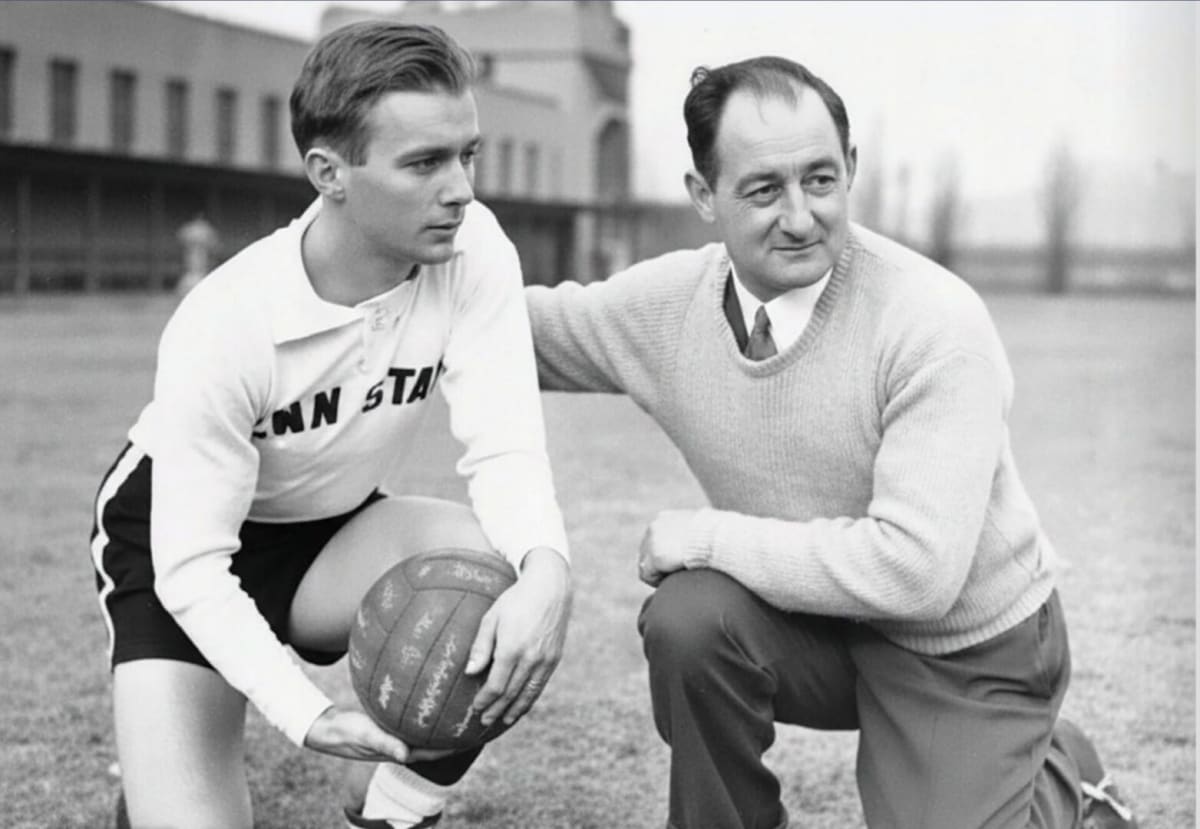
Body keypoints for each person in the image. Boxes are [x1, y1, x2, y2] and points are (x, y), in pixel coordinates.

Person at [526, 56, 1137, 829]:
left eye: (820, 179)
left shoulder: (933, 321)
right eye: (762, 189)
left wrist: (709, 536)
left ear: (851, 167)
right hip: (820, 623)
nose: (801, 215)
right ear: (702, 195)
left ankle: (1065, 780)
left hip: (963, 649)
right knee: (689, 621)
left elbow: (916, 572)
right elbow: (514, 334)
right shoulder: (669, 306)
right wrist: (376, 266)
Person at [90, 21, 571, 829]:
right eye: (424, 163)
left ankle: (391, 808)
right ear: (329, 172)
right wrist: (306, 712)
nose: (460, 188)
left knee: (509, 570)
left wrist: (551, 569)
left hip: (327, 534)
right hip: (182, 549)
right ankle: (159, 776)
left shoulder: (475, 247)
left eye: (467, 154)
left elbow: (506, 446)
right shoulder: (225, 321)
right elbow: (193, 567)